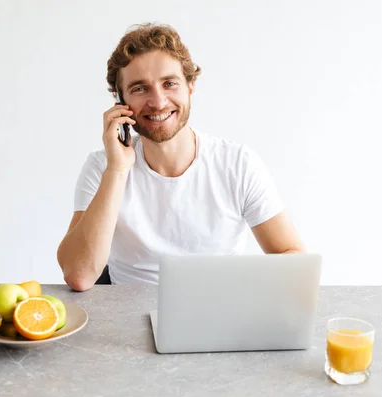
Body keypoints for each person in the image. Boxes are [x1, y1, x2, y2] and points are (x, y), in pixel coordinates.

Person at [57, 22, 305, 291]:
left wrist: (239, 291)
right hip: (126, 316)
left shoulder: (238, 164)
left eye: (169, 84)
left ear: (190, 86)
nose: (159, 102)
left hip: (218, 310)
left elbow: (292, 258)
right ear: (120, 100)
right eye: (140, 88)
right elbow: (79, 275)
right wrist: (117, 171)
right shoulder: (102, 166)